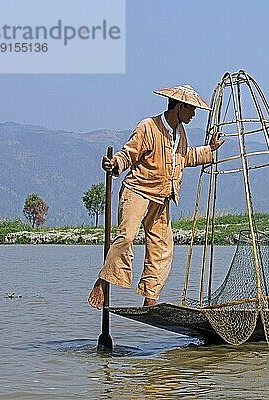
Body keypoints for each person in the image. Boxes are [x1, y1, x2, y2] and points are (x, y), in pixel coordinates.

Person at [88, 85, 224, 308]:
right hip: (137, 191)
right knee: (127, 237)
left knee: (162, 248)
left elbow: (184, 157)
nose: (193, 115)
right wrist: (115, 164)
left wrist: (210, 149)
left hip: (162, 198)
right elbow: (129, 153)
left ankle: (150, 297)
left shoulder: (181, 135)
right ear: (179, 107)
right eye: (191, 110)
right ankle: (103, 282)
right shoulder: (148, 127)